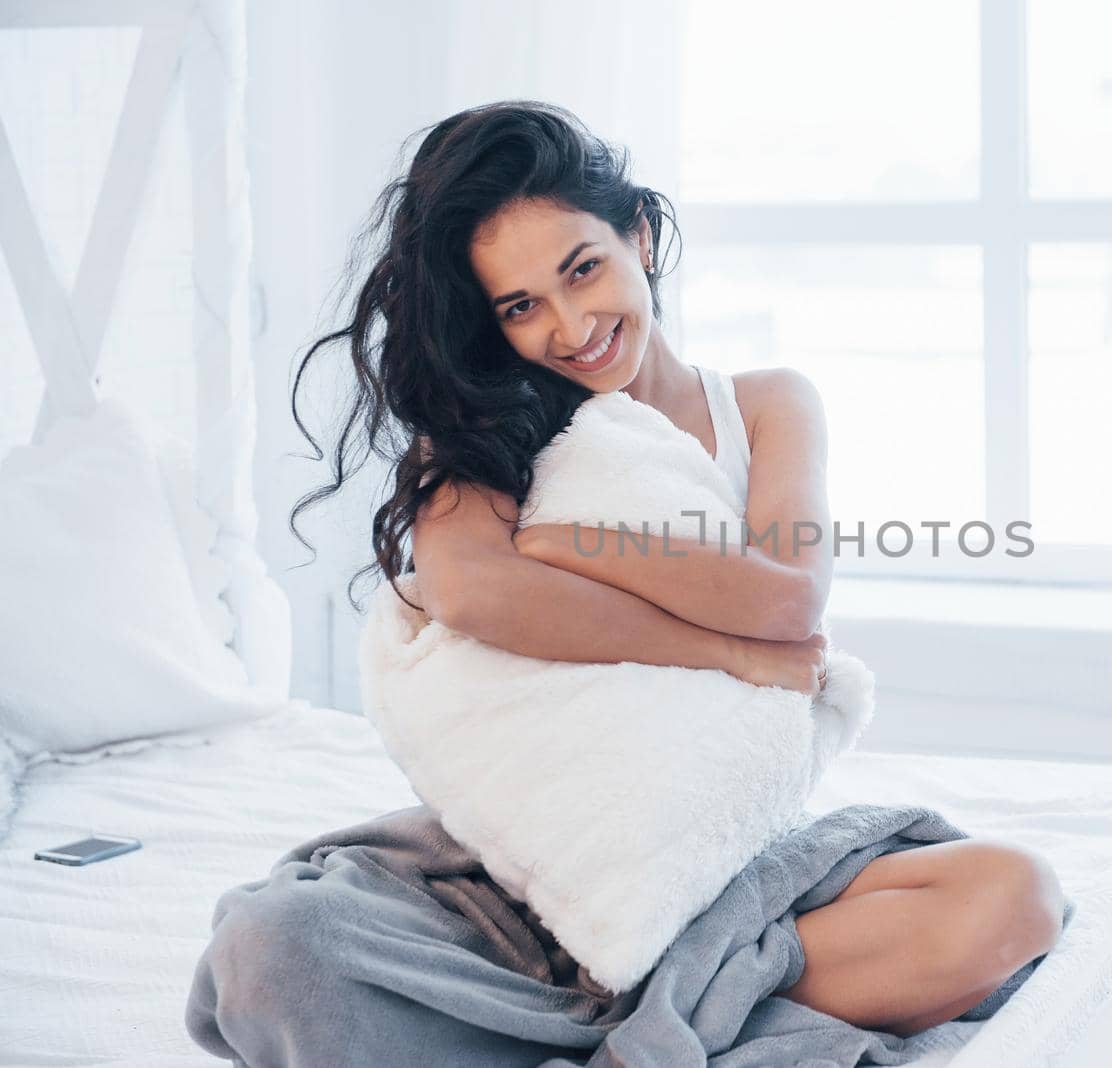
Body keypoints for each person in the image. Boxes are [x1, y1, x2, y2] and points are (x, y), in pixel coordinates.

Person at [288, 99, 1065, 1040]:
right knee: (282, 946)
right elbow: (473, 590)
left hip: (728, 857)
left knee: (1014, 896)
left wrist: (573, 546)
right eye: (521, 307)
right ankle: (668, 1017)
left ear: (641, 238)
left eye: (585, 270)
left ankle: (608, 1024)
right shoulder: (483, 432)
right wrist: (724, 651)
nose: (573, 327)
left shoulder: (769, 405)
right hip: (533, 865)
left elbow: (787, 596)